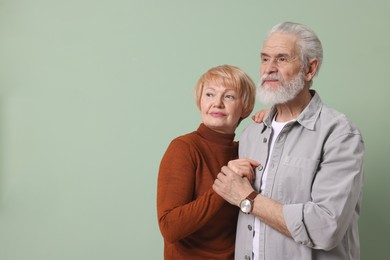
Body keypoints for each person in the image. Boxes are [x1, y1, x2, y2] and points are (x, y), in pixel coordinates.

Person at [213, 22, 365, 260]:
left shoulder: (339, 135)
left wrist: (248, 198)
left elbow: (326, 227)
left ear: (309, 69)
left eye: (282, 59)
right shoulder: (252, 134)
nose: (269, 69)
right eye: (265, 59)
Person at [157, 64, 257, 259]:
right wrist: (224, 186)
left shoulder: (243, 151)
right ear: (200, 101)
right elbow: (170, 228)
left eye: (229, 96)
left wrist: (272, 117)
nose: (217, 103)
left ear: (245, 106)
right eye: (210, 94)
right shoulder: (184, 148)